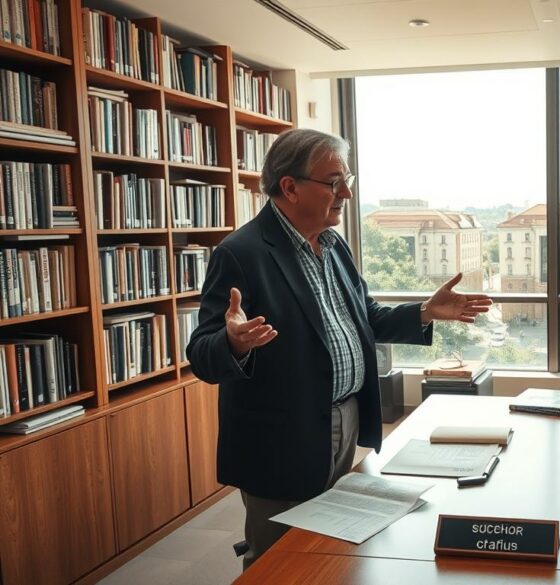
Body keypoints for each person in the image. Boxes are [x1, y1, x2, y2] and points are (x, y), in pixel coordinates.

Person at [186, 128, 492, 569]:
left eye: (346, 180)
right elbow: (202, 353)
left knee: (328, 544)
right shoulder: (241, 252)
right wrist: (232, 342)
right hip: (280, 437)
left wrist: (424, 312)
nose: (346, 192)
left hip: (342, 417)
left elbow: (363, 317)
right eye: (333, 182)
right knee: (279, 558)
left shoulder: (333, 245)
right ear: (289, 187)